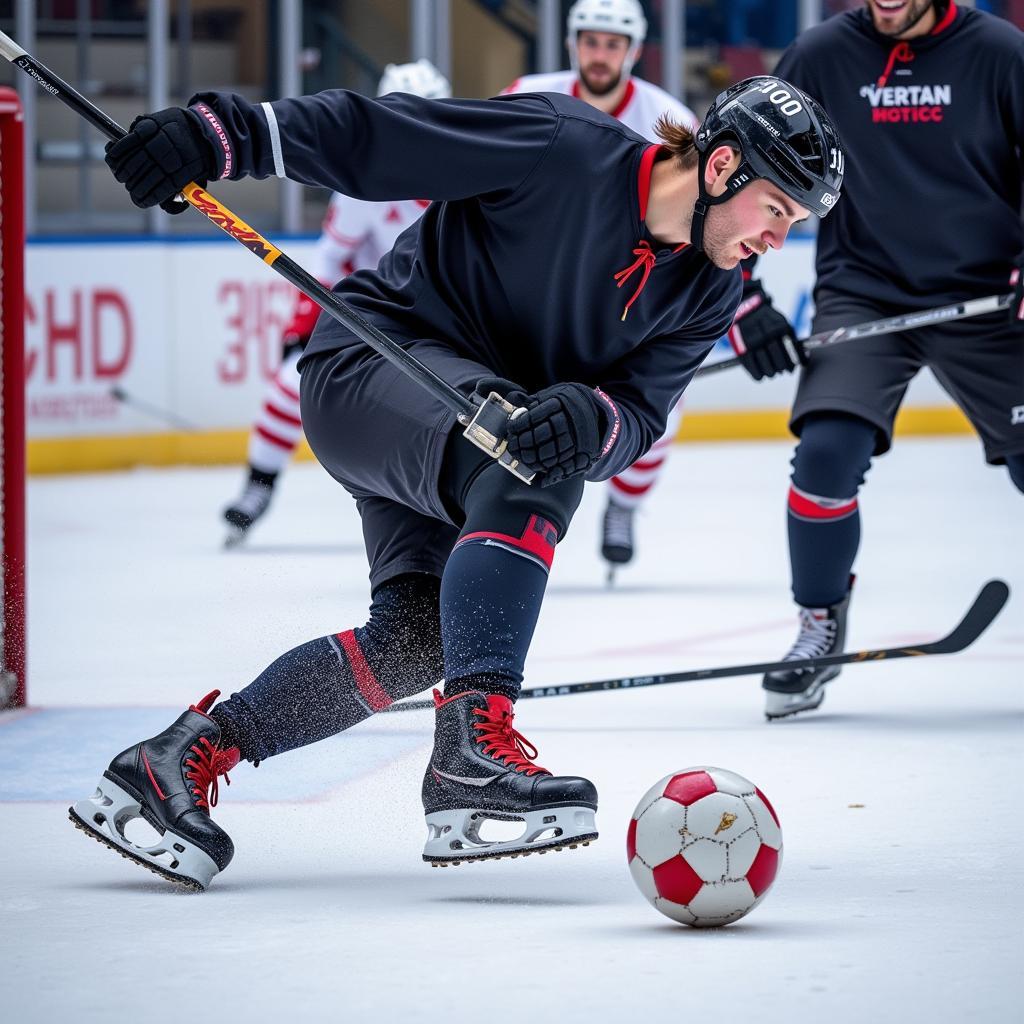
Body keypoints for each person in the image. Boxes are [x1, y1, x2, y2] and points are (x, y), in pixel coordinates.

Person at [69, 75, 842, 889]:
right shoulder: (561, 144)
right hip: (371, 368)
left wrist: (595, 419)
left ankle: (172, 763)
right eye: (779, 209)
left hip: (462, 434)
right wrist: (223, 137)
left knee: (419, 639)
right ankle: (473, 745)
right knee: (524, 456)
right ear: (721, 166)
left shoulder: (708, 287)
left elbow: (638, 417)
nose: (779, 239)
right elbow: (380, 134)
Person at [722, 0, 1024, 720]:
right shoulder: (820, 56)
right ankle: (818, 622)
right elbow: (724, 171)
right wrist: (742, 301)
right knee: (826, 452)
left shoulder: (999, 52)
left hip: (990, 297)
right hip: (866, 293)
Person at [503, 0, 699, 576]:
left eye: (613, 44)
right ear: (572, 43)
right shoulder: (530, 93)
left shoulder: (671, 121)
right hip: (537, 282)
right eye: (591, 41)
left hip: (628, 294)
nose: (600, 54)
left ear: (633, 51)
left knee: (660, 413)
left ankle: (622, 506)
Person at [222, 60, 451, 545]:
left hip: (446, 327)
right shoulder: (364, 186)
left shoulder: (465, 180)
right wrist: (301, 329)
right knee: (289, 386)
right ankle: (258, 486)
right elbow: (329, 260)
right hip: (372, 318)